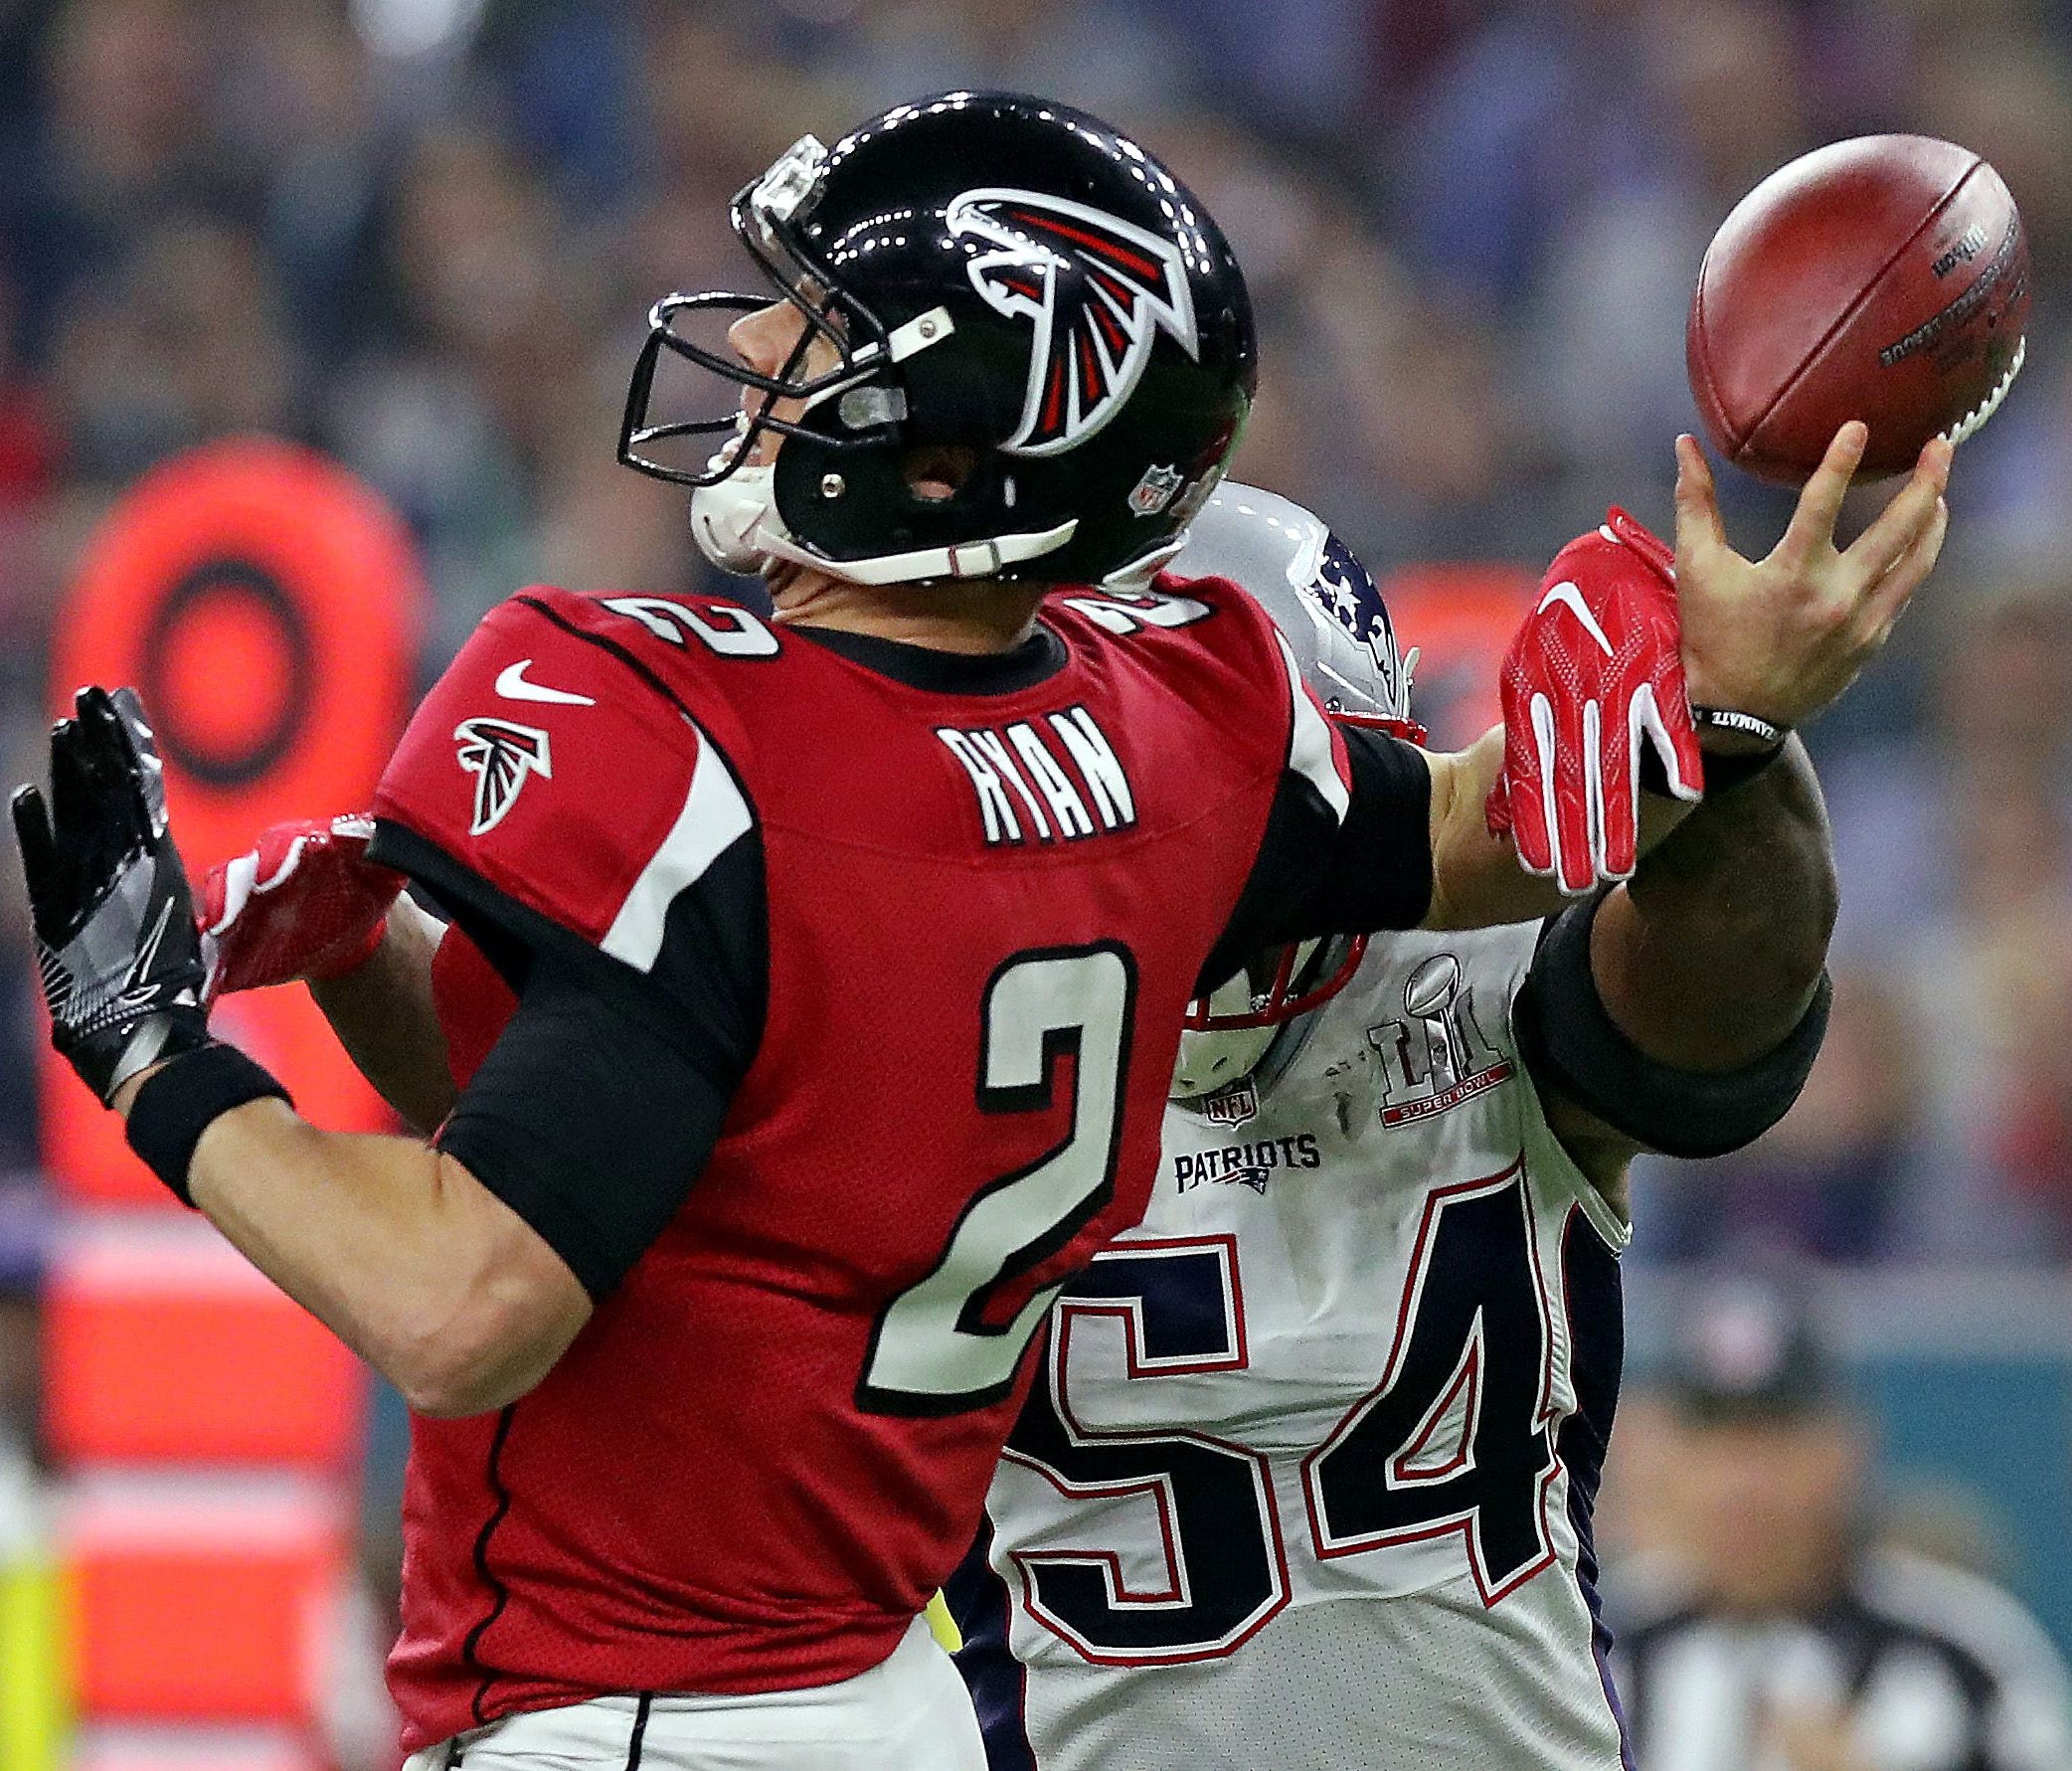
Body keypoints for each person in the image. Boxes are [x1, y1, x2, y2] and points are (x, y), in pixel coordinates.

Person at [12, 92, 1946, 1771]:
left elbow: (468, 1299)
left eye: (829, 330)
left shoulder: (705, 738)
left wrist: (153, 1053)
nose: (768, 353)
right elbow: (1457, 825)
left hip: (662, 1700)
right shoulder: (1157, 750)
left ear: (958, 447)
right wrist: (1715, 708)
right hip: (904, 1704)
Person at [942, 483, 1868, 1770]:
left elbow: (1735, 1005)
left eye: (1258, 817)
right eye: (1154, 811)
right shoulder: (918, 1042)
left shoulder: (1485, 979)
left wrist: (1729, 735)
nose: (1213, 881)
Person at [1612, 1271, 2072, 1771]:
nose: (1741, 1482)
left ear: (1848, 1445)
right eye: (1715, 1435)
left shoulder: (1970, 1659)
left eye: (1777, 1434)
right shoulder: (1596, 1648)